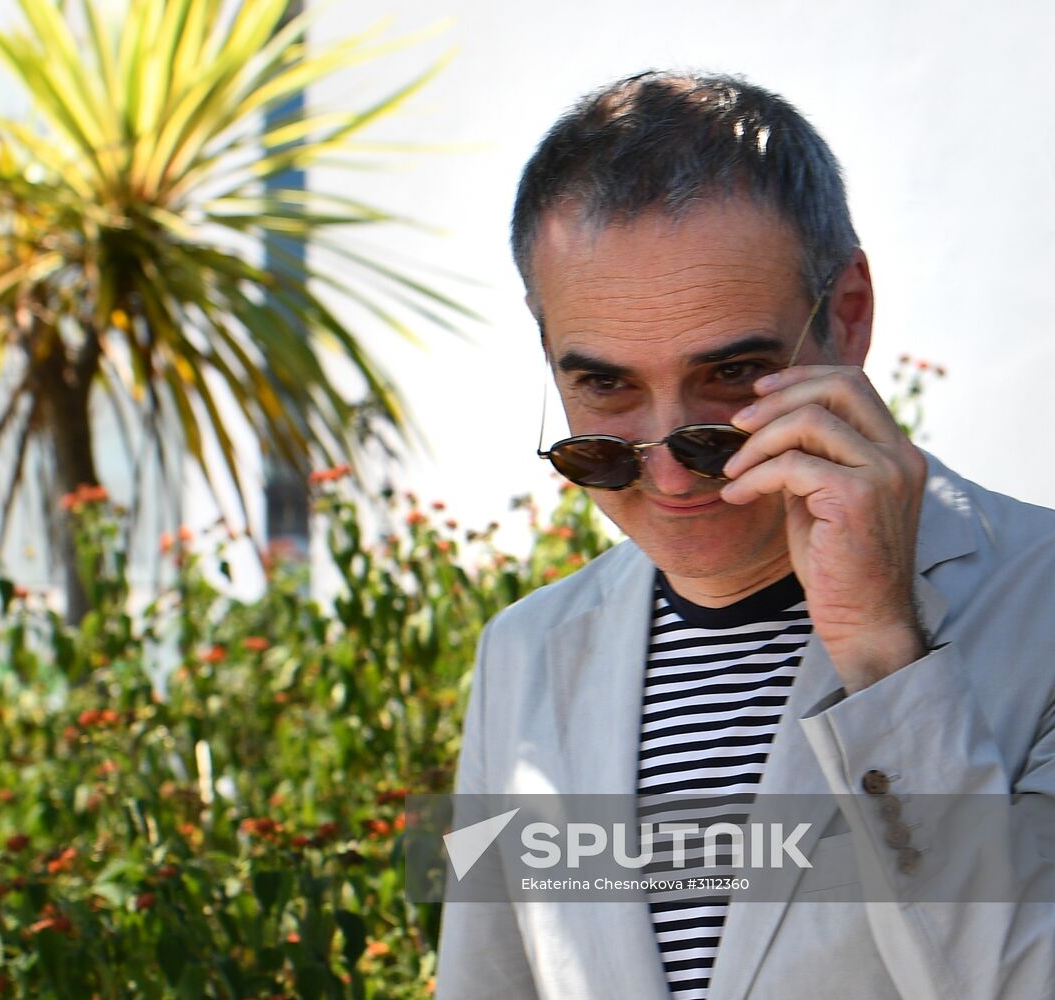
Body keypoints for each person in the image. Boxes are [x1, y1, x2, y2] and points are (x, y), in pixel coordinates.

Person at [435, 71, 1055, 1000]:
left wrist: (886, 659)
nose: (672, 471)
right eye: (605, 390)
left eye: (732, 376)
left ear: (847, 313)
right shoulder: (525, 655)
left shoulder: (1040, 605)